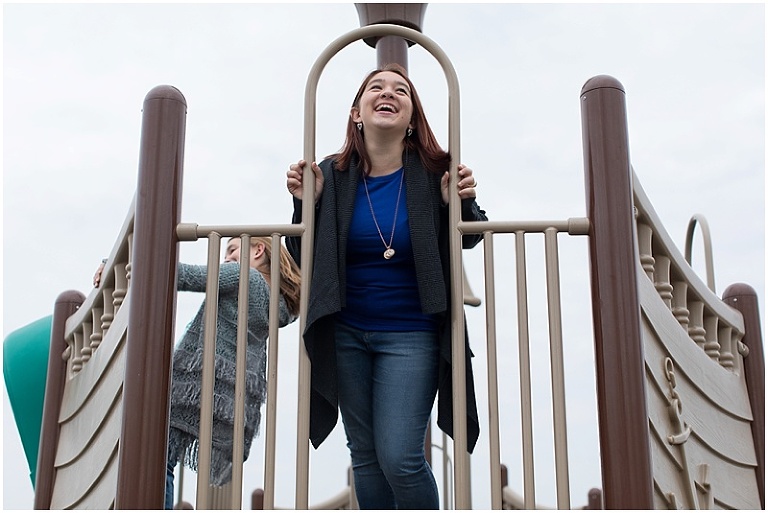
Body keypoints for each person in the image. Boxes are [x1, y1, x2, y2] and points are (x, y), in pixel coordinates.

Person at [285, 63, 487, 510]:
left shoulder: (436, 170)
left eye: (401, 90)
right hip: (346, 331)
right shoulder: (330, 175)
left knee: (400, 457)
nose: (387, 93)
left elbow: (471, 236)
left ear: (412, 117)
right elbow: (302, 255)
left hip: (410, 333)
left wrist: (463, 202)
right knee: (367, 458)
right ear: (357, 112)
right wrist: (306, 207)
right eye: (375, 87)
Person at [94, 236, 301, 509]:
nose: (226, 257)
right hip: (228, 396)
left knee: (157, 457)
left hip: (198, 383)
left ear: (259, 249)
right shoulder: (274, 301)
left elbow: (182, 275)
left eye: (233, 249)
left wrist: (114, 266)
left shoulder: (244, 276)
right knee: (163, 458)